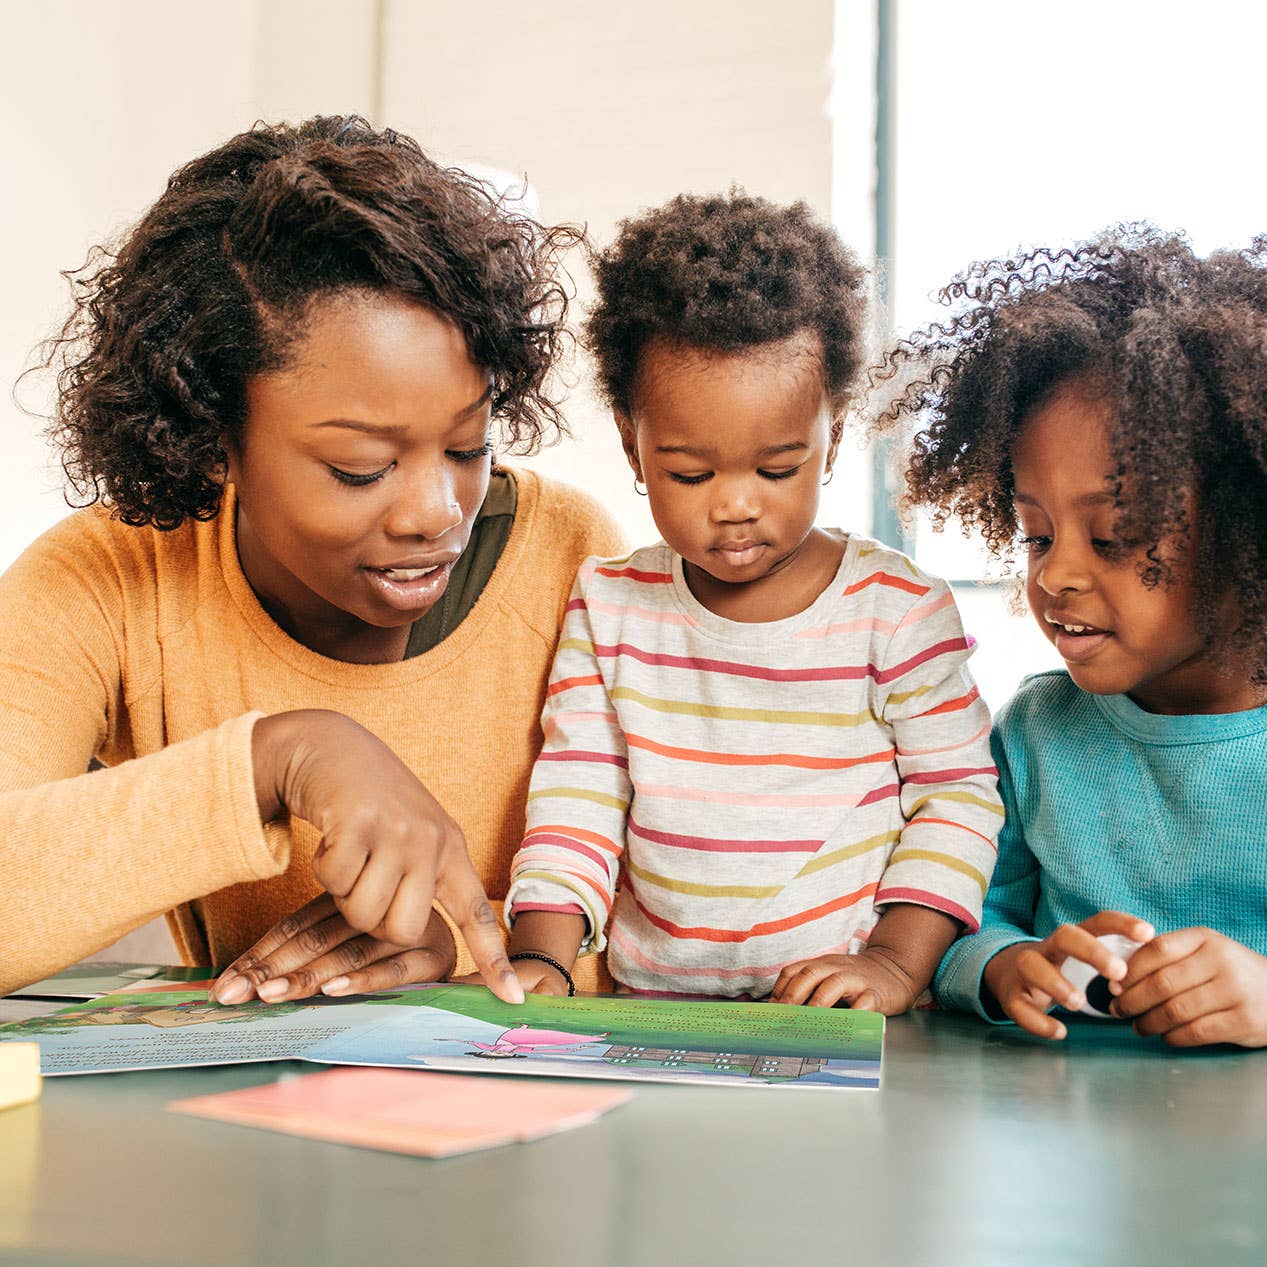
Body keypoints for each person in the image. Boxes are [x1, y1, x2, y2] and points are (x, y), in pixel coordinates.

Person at [0, 115, 625, 1004]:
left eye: (468, 446)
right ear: (213, 440)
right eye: (360, 467)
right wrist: (278, 757)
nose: (436, 512)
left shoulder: (573, 562)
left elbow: (700, 918)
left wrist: (459, 942)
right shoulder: (109, 579)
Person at [501, 193, 1002, 1007]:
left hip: (850, 1015)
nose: (735, 504)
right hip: (656, 1016)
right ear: (631, 441)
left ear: (831, 435)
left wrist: (892, 964)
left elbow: (956, 798)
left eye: (776, 469)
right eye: (690, 473)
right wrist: (545, 960)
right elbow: (577, 796)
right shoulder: (610, 604)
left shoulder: (896, 610)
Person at [887, 226, 1267, 1047]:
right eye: (1036, 534)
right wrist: (1006, 965)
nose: (1055, 574)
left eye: (1112, 537)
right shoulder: (1034, 733)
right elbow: (964, 920)